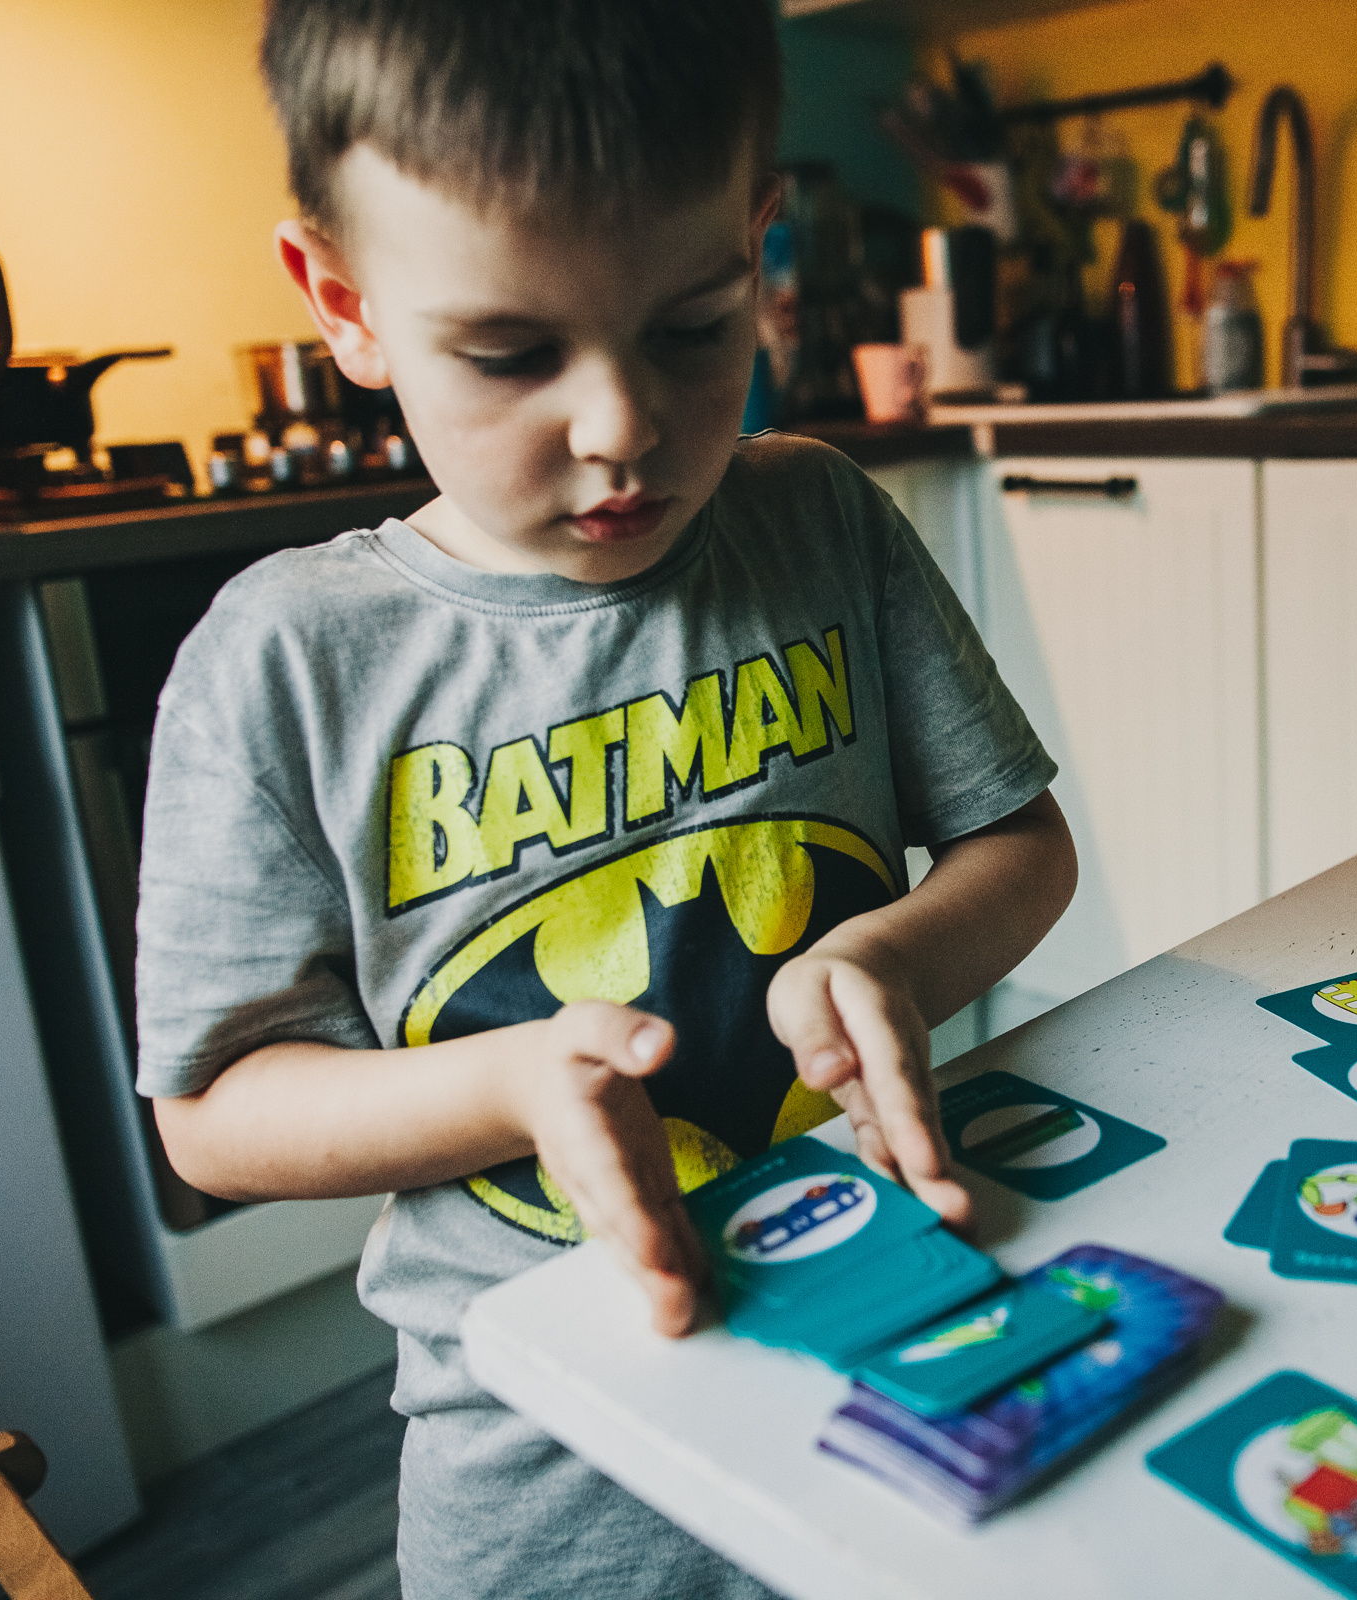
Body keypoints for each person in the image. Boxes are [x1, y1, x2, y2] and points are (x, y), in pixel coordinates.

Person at [130, 2, 1076, 1595]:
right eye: (509, 354)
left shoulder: (823, 522)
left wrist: (893, 956)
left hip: (906, 1342)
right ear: (344, 304)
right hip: (558, 1481)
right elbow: (213, 1115)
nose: (624, 427)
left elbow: (1020, 848)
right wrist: (508, 1085)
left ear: (759, 247)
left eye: (696, 326)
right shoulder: (283, 662)